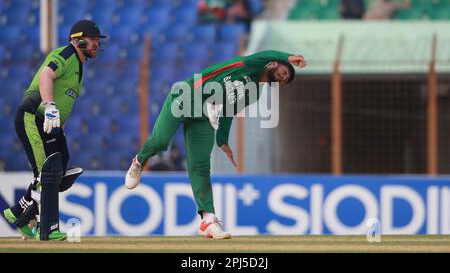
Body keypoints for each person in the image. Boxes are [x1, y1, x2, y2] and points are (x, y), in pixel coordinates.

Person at [125, 50, 307, 239]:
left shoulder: (254, 94)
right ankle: (139, 161)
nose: (284, 78)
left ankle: (208, 221)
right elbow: (265, 54)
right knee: (161, 141)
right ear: (273, 64)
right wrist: (288, 56)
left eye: (285, 80)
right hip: (187, 95)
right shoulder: (249, 64)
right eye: (285, 72)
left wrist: (223, 141)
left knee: (201, 166)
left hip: (204, 114)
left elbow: (229, 111)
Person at [2, 20, 107, 241]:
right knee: (47, 173)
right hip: (33, 116)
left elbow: (64, 100)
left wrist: (59, 124)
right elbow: (45, 76)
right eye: (93, 39)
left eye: (98, 40)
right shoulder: (67, 54)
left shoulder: (79, 66)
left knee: (59, 168)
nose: (96, 43)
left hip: (50, 123)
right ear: (78, 39)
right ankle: (45, 229)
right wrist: (49, 106)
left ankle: (18, 213)